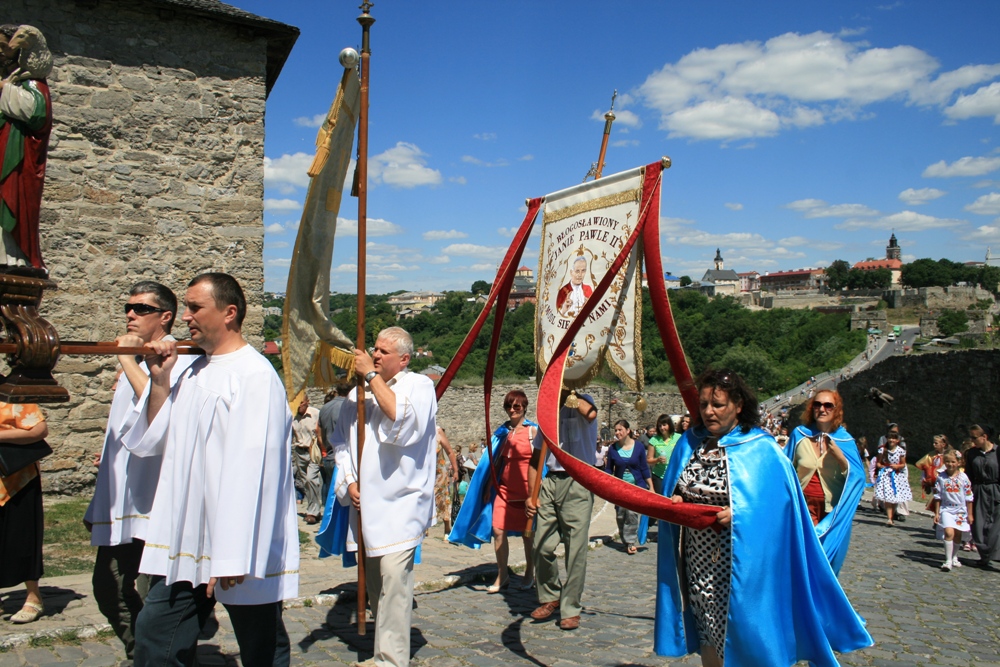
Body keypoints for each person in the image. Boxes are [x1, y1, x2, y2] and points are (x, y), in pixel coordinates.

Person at [123, 273, 298, 667]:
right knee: (155, 634)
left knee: (261, 647)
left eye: (195, 307)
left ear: (229, 312)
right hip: (187, 536)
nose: (184, 317)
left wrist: (232, 554)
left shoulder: (254, 376)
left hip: (238, 545)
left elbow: (254, 470)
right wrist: (161, 382)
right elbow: (154, 441)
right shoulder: (190, 369)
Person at [654, 368, 871, 667]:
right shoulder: (691, 442)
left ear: (738, 405)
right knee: (707, 627)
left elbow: (780, 506)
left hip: (742, 560)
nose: (708, 412)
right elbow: (676, 486)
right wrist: (677, 500)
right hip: (697, 557)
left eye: (717, 405)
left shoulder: (761, 447)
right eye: (704, 404)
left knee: (741, 630)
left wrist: (740, 513)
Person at [83, 281, 194, 659]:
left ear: (165, 316)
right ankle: (140, 653)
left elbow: (164, 415)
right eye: (128, 307)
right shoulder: (135, 360)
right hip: (121, 494)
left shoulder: (183, 357)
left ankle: (162, 654)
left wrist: (129, 362)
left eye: (141, 308)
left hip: (155, 501)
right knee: (108, 587)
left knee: (155, 598)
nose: (130, 314)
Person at [331, 326, 436, 667]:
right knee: (376, 584)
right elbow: (342, 445)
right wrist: (349, 481)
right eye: (374, 349)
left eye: (383, 351)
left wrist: (371, 376)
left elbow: (402, 424)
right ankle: (383, 650)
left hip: (402, 502)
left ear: (403, 359)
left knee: (394, 582)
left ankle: (391, 661)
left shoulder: (418, 386)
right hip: (369, 504)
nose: (375, 354)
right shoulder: (356, 397)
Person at [449, 390, 539, 593]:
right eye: (509, 406)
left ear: (524, 406)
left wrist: (538, 493)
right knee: (498, 531)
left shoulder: (533, 432)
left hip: (527, 491)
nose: (512, 410)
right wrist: (489, 486)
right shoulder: (503, 433)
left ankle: (529, 572)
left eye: (517, 406)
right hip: (504, 489)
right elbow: (496, 461)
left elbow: (541, 463)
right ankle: (503, 574)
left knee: (528, 536)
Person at [525, 389, 597, 632]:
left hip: (579, 481)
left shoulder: (585, 402)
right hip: (551, 482)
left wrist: (569, 391)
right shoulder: (547, 413)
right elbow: (536, 459)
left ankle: (570, 608)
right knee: (541, 546)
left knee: (575, 550)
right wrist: (531, 494)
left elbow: (590, 413)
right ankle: (551, 595)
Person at [787, 389, 863, 574]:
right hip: (804, 509)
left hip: (832, 513)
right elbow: (784, 468)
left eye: (828, 405)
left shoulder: (845, 441)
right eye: (817, 404)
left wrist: (841, 459)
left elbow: (858, 478)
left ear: (836, 410)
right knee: (803, 561)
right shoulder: (800, 435)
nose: (822, 409)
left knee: (827, 567)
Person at [0, 24, 52, 269]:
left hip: (15, 160)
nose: (0, 52)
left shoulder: (30, 81)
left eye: (3, 47)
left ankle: (14, 255)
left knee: (10, 201)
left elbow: (37, 113)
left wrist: (4, 89)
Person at [0, 400, 48, 624]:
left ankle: (33, 597)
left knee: (22, 538)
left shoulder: (13, 394)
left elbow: (39, 430)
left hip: (16, 480)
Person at [607, 419, 652, 555]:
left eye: (620, 429)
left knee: (631, 514)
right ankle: (625, 540)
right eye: (616, 430)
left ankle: (631, 541)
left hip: (635, 486)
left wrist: (651, 486)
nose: (617, 432)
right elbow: (609, 469)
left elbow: (644, 468)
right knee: (621, 515)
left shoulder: (638, 447)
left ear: (628, 431)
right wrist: (607, 485)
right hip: (619, 488)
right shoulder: (613, 449)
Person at [930, 451, 974, 571]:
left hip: (960, 509)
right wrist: (937, 513)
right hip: (946, 509)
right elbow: (937, 496)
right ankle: (948, 560)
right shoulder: (941, 477)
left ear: (958, 462)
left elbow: (969, 497)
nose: (950, 464)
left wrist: (970, 514)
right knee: (949, 532)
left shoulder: (963, 477)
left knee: (958, 534)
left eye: (953, 461)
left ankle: (954, 556)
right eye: (948, 461)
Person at [966, 424, 999, 567]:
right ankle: (984, 554)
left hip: (995, 489)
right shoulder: (972, 453)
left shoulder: (998, 452)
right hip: (978, 490)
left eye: (975, 437)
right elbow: (968, 475)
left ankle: (995, 554)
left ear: (984, 437)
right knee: (978, 525)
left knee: (995, 526)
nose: (972, 441)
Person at [292, 394, 323, 525]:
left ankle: (313, 512)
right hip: (299, 450)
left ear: (307, 402)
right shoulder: (292, 415)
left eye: (302, 402)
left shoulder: (316, 414)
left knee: (311, 479)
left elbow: (321, 431)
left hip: (312, 450)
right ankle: (312, 508)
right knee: (305, 482)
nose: (299, 405)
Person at [318, 385, 350, 501]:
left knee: (330, 494)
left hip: (329, 454)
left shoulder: (324, 408)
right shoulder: (348, 406)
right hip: (342, 457)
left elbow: (319, 433)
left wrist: (325, 449)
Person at [873, 431, 911, 526]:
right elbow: (878, 462)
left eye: (893, 438)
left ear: (897, 440)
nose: (891, 440)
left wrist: (897, 466)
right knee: (887, 498)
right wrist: (881, 466)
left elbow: (903, 464)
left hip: (896, 476)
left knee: (895, 498)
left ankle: (892, 515)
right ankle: (889, 518)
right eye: (890, 438)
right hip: (886, 476)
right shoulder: (883, 450)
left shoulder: (900, 451)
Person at [433, 426, 459, 538]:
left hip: (439, 474)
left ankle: (447, 528)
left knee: (443, 500)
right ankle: (424, 528)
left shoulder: (437, 430)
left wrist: (456, 470)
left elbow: (450, 452)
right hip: (423, 475)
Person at [646, 413, 679, 495]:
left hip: (675, 475)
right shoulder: (654, 440)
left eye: (664, 425)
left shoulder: (678, 437)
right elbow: (648, 460)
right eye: (660, 426)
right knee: (661, 500)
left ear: (670, 425)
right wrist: (657, 459)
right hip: (659, 476)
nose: (662, 428)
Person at [916, 435, 952, 499]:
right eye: (933, 443)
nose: (934, 445)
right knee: (936, 498)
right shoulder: (931, 455)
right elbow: (926, 466)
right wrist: (924, 479)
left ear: (943, 444)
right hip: (934, 483)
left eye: (936, 443)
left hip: (946, 481)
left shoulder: (948, 455)